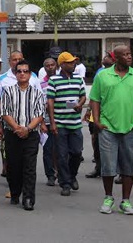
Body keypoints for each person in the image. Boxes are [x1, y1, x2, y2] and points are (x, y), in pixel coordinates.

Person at [90, 45, 133, 215]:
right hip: (108, 128)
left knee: (128, 166)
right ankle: (108, 198)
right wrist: (97, 121)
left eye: (130, 53)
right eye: (124, 54)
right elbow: (94, 99)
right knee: (108, 166)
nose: (129, 57)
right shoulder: (103, 76)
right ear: (115, 58)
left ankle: (126, 201)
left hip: (131, 128)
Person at [1, 60, 46, 211]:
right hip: (12, 133)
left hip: (31, 134)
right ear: (15, 73)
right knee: (13, 166)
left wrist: (27, 128)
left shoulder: (38, 93)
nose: (22, 74)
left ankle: (28, 199)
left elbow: (40, 114)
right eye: (19, 71)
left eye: (25, 71)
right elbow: (5, 113)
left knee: (29, 167)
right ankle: (15, 192)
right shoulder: (8, 91)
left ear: (30, 74)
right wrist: (17, 128)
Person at [47, 52, 86, 197]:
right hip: (60, 123)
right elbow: (50, 102)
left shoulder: (78, 79)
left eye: (73, 62)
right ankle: (65, 183)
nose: (73, 64)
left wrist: (80, 104)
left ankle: (72, 175)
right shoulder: (54, 80)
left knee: (77, 153)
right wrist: (53, 123)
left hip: (75, 123)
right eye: (69, 62)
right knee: (62, 156)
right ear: (62, 65)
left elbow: (83, 96)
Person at [84, 53, 116, 179]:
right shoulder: (100, 72)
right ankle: (99, 167)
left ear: (114, 60)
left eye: (108, 56)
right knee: (95, 140)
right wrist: (89, 111)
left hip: (113, 113)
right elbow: (94, 95)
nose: (104, 57)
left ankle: (117, 170)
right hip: (97, 112)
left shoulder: (119, 74)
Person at [40, 57, 58, 186]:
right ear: (44, 68)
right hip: (46, 121)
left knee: (62, 149)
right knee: (48, 150)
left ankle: (62, 173)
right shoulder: (41, 85)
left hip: (61, 120)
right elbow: (38, 104)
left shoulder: (62, 81)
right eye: (47, 65)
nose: (50, 67)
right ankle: (50, 175)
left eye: (52, 65)